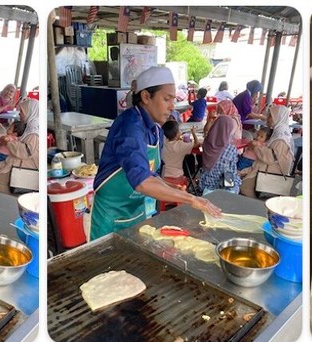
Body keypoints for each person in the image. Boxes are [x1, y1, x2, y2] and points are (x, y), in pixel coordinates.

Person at [91, 66, 222, 240]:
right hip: (111, 216)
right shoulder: (130, 127)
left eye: (173, 100)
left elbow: (149, 173)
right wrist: (191, 199)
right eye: (167, 99)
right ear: (146, 97)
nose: (172, 106)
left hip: (136, 210)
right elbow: (142, 182)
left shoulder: (155, 129)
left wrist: (167, 185)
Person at [239, 105, 295, 198]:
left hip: (273, 172)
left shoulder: (280, 137)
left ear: (278, 117)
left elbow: (271, 157)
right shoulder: (280, 132)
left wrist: (255, 147)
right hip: (271, 168)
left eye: (270, 116)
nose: (267, 118)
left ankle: (256, 207)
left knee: (245, 186)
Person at [0, 98, 39, 194]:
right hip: (19, 164)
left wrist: (8, 142)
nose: (19, 114)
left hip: (24, 169)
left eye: (22, 112)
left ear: (29, 112)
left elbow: (25, 152)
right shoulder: (30, 128)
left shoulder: (33, 133)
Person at [199, 115, 241, 194]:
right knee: (236, 180)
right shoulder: (231, 148)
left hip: (206, 182)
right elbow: (231, 171)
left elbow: (207, 133)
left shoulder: (206, 143)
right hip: (224, 183)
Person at [161, 120, 200, 187]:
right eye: (179, 130)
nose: (181, 132)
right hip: (176, 177)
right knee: (190, 158)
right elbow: (197, 144)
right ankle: (191, 180)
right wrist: (193, 133)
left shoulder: (163, 143)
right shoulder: (181, 145)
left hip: (162, 175)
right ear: (176, 134)